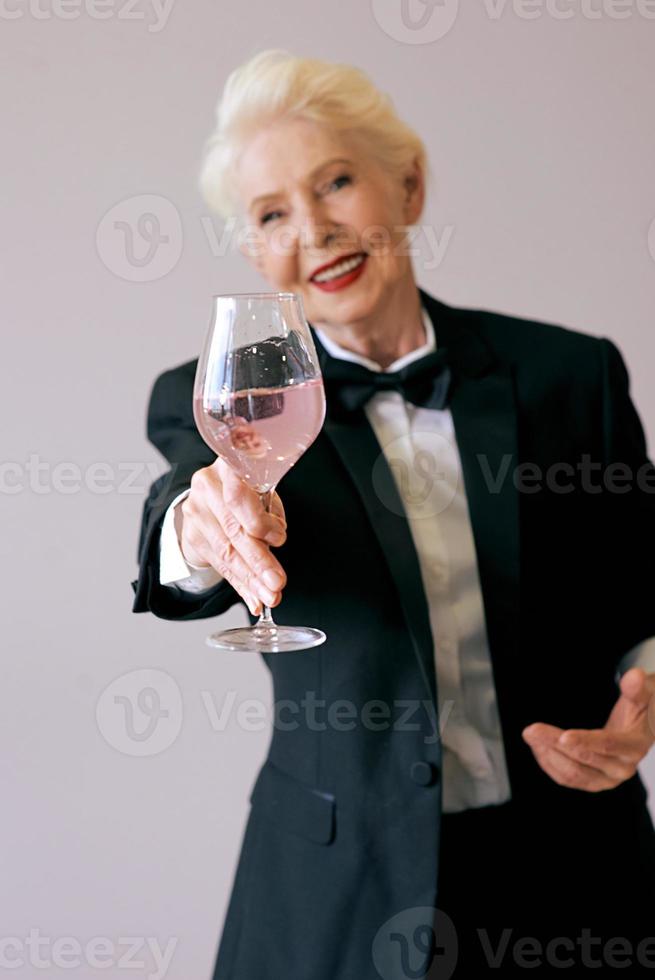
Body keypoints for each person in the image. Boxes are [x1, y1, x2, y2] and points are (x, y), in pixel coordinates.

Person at [131, 50, 655, 979]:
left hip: (573, 869)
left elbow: (641, 584)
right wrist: (196, 531)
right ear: (254, 250)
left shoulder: (570, 375)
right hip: (335, 886)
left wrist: (648, 689)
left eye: (337, 181)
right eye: (271, 214)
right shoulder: (222, 399)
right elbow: (182, 507)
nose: (316, 229)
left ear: (407, 186)